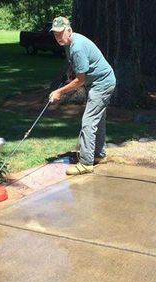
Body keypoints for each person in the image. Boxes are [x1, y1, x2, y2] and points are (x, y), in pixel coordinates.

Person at [49, 16, 116, 175]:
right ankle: (99, 154)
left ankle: (86, 163)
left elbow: (80, 81)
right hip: (96, 83)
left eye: (61, 33)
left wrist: (59, 91)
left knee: (88, 121)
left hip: (102, 84)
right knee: (97, 120)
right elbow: (77, 69)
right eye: (55, 33)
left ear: (69, 30)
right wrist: (70, 73)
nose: (58, 37)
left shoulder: (77, 46)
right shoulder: (68, 43)